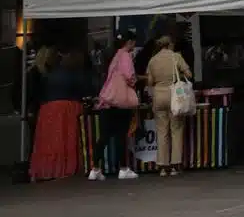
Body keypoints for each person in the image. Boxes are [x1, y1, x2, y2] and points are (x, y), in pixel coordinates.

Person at [30, 50, 92, 181]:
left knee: (50, 142)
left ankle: (47, 169)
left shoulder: (46, 75)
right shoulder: (74, 74)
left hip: (47, 110)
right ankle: (67, 167)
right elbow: (84, 90)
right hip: (68, 108)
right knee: (67, 138)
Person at [91, 31, 140, 181]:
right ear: (130, 42)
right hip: (120, 102)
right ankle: (123, 168)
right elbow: (130, 77)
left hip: (107, 101)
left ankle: (95, 169)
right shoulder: (125, 55)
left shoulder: (113, 55)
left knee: (104, 136)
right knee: (120, 135)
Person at [146, 36, 193, 177]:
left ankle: (162, 166)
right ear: (170, 44)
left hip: (159, 97)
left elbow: (149, 81)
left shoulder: (153, 60)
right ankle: (175, 165)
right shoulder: (176, 57)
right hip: (175, 97)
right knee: (176, 130)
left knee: (161, 132)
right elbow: (189, 74)